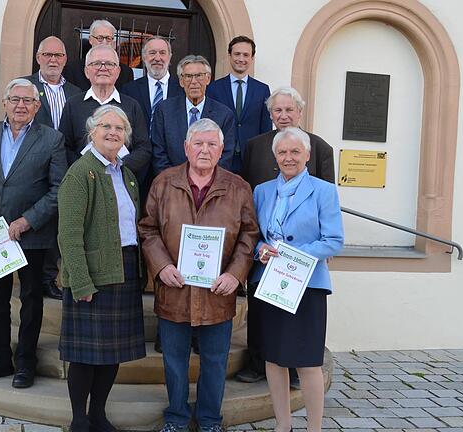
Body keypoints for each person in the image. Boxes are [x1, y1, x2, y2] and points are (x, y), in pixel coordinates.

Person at [138, 119, 259, 432]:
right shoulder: (164, 182)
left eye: (211, 144)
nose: (204, 150)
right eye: (198, 143)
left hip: (218, 292)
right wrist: (161, 266)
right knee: (174, 362)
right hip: (174, 289)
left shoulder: (238, 187)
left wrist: (235, 274)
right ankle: (176, 417)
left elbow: (249, 235)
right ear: (186, 148)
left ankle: (209, 419)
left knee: (216, 362)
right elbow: (148, 229)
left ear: (222, 150)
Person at [0, 78, 67, 389]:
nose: (21, 106)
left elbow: (58, 189)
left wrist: (26, 221)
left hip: (31, 236)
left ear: (37, 106)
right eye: (15, 99)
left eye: (28, 101)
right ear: (5, 102)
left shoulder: (52, 139)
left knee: (31, 300)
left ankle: (25, 364)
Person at [236, 86, 335, 385]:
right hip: (266, 253)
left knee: (298, 322)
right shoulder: (254, 145)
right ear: (270, 114)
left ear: (300, 112)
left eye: (289, 109)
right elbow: (249, 196)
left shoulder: (320, 147)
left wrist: (310, 252)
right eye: (277, 110)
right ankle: (257, 362)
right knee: (262, 317)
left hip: (302, 259)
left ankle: (294, 370)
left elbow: (327, 205)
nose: (283, 115)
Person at [57, 105, 146, 432]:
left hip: (122, 269)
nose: (112, 132)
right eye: (106, 126)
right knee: (84, 355)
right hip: (91, 273)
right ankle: (79, 418)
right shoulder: (80, 173)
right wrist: (80, 282)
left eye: (119, 128)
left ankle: (98, 414)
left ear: (126, 136)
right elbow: (68, 233)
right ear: (92, 132)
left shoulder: (127, 175)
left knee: (112, 353)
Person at [252, 127, 343, 432]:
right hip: (270, 283)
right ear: (274, 156)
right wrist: (261, 250)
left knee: (307, 360)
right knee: (274, 358)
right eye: (282, 152)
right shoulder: (262, 191)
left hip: (308, 285)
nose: (288, 158)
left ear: (307, 154)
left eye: (294, 152)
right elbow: (255, 237)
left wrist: (294, 254)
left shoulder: (324, 191)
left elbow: (334, 240)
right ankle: (283, 424)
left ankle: (314, 427)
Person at [22, 35, 82, 301]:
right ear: (38, 58)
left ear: (65, 60)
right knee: (40, 219)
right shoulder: (25, 87)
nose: (53, 60)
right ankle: (38, 279)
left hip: (68, 165)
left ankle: (56, 276)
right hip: (35, 166)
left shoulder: (76, 93)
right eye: (47, 55)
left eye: (58, 56)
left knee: (62, 220)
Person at [59, 45, 150, 183]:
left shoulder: (132, 105)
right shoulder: (73, 104)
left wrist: (119, 166)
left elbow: (144, 148)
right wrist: (86, 168)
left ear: (118, 71)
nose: (103, 68)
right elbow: (64, 146)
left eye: (109, 64)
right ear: (86, 71)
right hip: (83, 181)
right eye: (96, 63)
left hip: (121, 180)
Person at [150, 55, 236, 176]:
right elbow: (158, 152)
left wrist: (204, 181)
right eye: (188, 76)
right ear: (181, 81)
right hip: (172, 184)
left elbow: (225, 156)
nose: (194, 82)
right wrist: (173, 181)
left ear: (208, 78)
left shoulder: (224, 115)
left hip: (209, 186)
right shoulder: (164, 110)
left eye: (199, 76)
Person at [206, 35, 272, 174]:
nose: (241, 59)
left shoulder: (262, 90)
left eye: (246, 55)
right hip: (221, 158)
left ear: (252, 59)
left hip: (252, 159)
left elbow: (265, 128)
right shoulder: (213, 88)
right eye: (237, 54)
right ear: (229, 55)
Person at [121, 36, 184, 128]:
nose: (157, 58)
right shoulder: (129, 90)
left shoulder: (182, 89)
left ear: (169, 57)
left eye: (162, 53)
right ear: (143, 57)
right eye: (152, 53)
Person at [63, 19, 134, 91]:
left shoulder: (126, 73)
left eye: (108, 38)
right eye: (100, 38)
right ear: (90, 40)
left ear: (113, 42)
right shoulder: (72, 70)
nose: (104, 42)